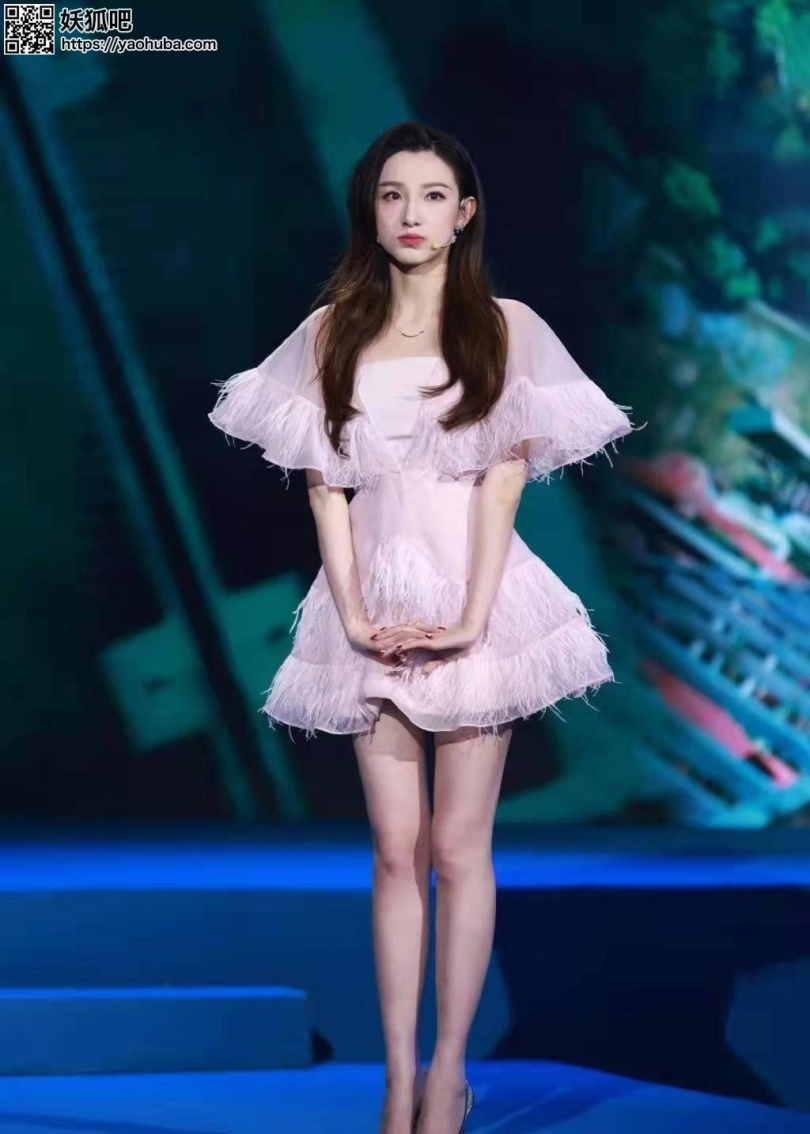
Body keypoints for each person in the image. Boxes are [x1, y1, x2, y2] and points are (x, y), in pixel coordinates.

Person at [209, 121, 637, 1134]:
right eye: (393, 194)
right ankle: (398, 1082)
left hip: (475, 600)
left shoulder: (503, 326)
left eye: (432, 194)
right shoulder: (331, 332)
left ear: (464, 213)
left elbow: (503, 485)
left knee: (456, 846)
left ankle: (449, 1076)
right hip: (370, 605)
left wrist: (471, 618)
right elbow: (325, 488)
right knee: (394, 849)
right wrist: (355, 614)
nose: (411, 213)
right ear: (372, 210)